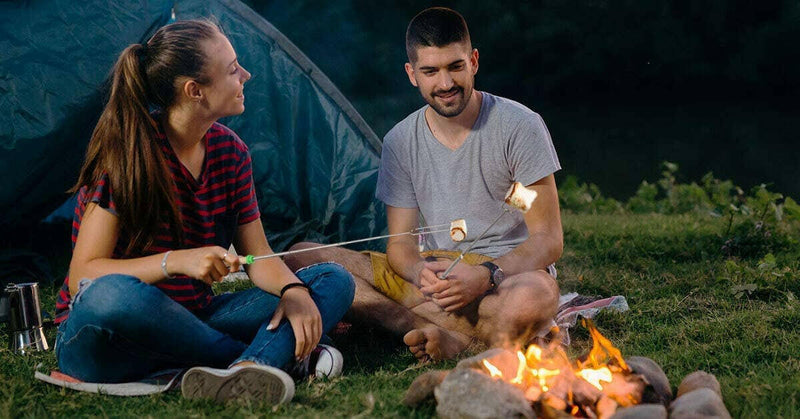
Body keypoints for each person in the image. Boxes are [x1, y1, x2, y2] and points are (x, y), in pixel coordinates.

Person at [52, 19, 355, 404]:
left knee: (332, 280)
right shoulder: (127, 153)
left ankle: (245, 372)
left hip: (196, 318)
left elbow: (258, 255)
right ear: (195, 91)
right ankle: (261, 358)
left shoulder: (231, 153)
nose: (246, 74)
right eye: (232, 70)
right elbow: (84, 275)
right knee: (112, 295)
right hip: (105, 334)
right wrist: (177, 261)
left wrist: (292, 290)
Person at [284, 7, 562, 363]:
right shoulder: (400, 141)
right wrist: (420, 272)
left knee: (532, 298)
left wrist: (485, 275)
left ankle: (429, 329)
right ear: (412, 74)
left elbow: (548, 239)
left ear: (474, 61)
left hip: (502, 276)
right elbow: (400, 245)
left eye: (455, 67)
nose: (445, 84)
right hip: (432, 278)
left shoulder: (520, 126)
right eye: (430, 71)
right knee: (300, 258)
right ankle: (426, 328)